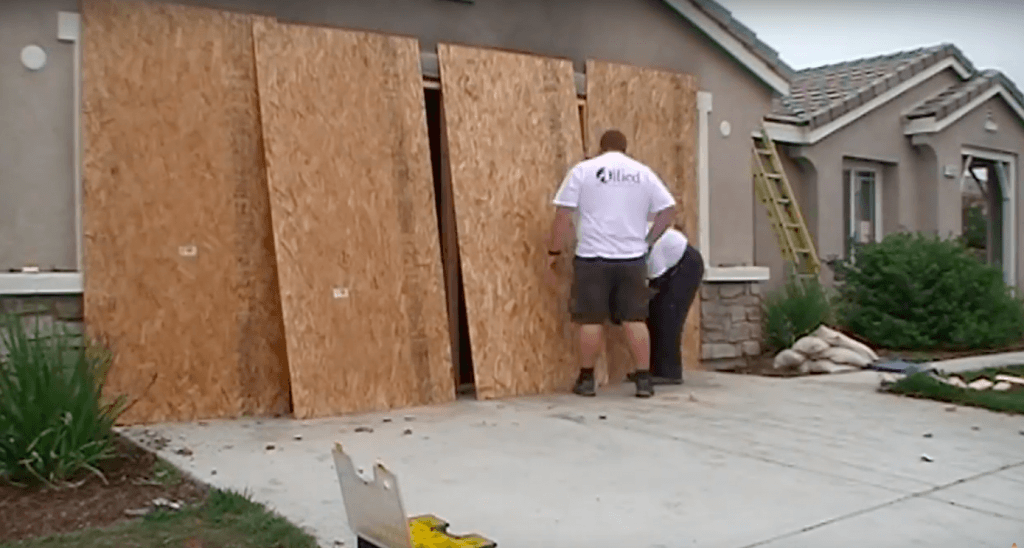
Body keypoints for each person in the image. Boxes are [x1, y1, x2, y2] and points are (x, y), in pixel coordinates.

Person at [546, 129, 676, 398]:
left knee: (591, 321)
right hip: (632, 258)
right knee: (634, 319)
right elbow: (668, 211)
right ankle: (643, 381)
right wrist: (648, 241)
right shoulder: (642, 173)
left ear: (600, 147)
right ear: (625, 148)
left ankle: (585, 380)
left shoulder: (584, 170)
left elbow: (562, 214)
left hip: (593, 257)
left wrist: (554, 250)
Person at [624, 224, 704, 385]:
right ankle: (652, 369)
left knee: (668, 315)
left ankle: (669, 372)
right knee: (653, 314)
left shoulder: (650, 249)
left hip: (685, 265)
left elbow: (656, 281)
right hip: (670, 265)